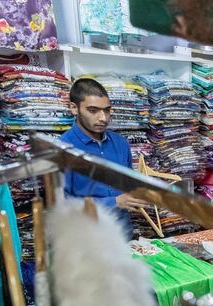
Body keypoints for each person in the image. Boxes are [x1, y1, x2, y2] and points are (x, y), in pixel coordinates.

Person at [62, 78, 148, 232]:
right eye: (93, 110)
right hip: (87, 239)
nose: (103, 118)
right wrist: (115, 202)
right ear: (74, 108)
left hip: (123, 234)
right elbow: (63, 205)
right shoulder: (63, 150)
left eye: (107, 110)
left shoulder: (120, 143)